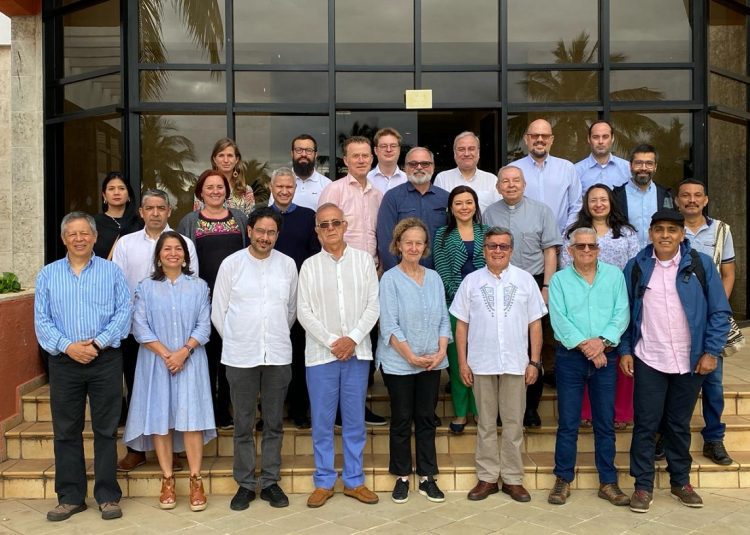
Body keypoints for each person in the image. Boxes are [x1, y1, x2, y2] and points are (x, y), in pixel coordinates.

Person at [620, 210, 731, 513]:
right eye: (659, 229)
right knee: (645, 425)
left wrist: (711, 351)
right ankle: (642, 486)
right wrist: (626, 350)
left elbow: (719, 311)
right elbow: (625, 314)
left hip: (690, 361)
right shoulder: (636, 267)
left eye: (672, 229)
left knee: (679, 425)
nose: (665, 235)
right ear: (651, 234)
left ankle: (680, 481)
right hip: (649, 359)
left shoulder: (700, 264)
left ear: (683, 235)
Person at [34, 212, 132, 522]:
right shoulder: (48, 275)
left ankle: (107, 496)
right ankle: (71, 497)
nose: (79, 238)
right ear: (64, 239)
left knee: (105, 431)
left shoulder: (111, 272)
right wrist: (69, 347)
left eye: (84, 233)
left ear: (94, 237)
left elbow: (123, 312)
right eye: (72, 234)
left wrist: (98, 343)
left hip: (104, 360)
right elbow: (42, 320)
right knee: (66, 432)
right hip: (64, 362)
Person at [451, 227, 546, 504]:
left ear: (511, 250)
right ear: (484, 250)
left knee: (515, 423)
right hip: (481, 363)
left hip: (517, 363)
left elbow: (535, 324)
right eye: (492, 246)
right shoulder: (471, 281)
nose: (497, 251)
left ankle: (514, 479)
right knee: (486, 424)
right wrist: (462, 362)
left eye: (503, 246)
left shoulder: (525, 280)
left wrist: (535, 362)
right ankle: (488, 477)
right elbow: (461, 326)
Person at [212, 207, 298, 511]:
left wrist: (269, 335)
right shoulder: (232, 265)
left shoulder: (287, 265)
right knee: (243, 423)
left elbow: (290, 311)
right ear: (249, 231)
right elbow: (218, 312)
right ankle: (246, 484)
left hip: (276, 353)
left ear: (277, 234)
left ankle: (271, 481)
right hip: (240, 356)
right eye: (260, 231)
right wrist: (239, 339)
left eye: (271, 232)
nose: (265, 237)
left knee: (274, 422)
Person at [123, 231, 215, 512]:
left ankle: (196, 478)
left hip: (191, 360)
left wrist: (183, 352)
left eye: (178, 249)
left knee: (191, 419)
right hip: (156, 362)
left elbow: (204, 326)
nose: (173, 253)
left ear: (186, 256)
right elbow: (139, 327)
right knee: (161, 418)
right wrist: (167, 355)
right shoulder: (145, 287)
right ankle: (167, 478)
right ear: (159, 256)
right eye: (167, 249)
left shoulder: (199, 286)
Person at [297, 203, 380, 508]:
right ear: (317, 231)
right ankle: (324, 481)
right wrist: (334, 341)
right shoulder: (309, 266)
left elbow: (374, 305)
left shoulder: (362, 262)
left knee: (355, 420)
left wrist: (354, 339)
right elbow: (303, 312)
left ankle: (354, 481)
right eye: (324, 225)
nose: (330, 229)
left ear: (345, 226)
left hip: (357, 355)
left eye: (335, 223)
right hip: (321, 356)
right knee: (322, 421)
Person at [113, 188, 198, 473]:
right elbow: (117, 284)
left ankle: (172, 451)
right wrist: (135, 323)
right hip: (137, 330)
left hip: (178, 332)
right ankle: (137, 449)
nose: (155, 213)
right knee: (141, 390)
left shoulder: (183, 242)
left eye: (161, 207)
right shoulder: (126, 244)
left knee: (174, 393)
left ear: (169, 211)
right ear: (141, 212)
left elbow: (193, 282)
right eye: (150, 208)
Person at [547, 227, 630, 507]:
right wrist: (588, 346)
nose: (586, 251)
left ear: (598, 249)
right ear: (569, 251)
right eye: (579, 247)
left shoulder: (614, 276)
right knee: (568, 422)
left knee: (605, 423)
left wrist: (602, 342)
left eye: (591, 246)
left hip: (606, 358)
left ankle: (608, 482)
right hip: (571, 359)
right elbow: (559, 319)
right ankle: (562, 479)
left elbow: (622, 313)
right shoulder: (558, 281)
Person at [378, 218, 451, 504]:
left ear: (425, 247)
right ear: (397, 245)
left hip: (432, 362)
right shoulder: (390, 279)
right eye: (408, 242)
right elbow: (390, 325)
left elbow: (444, 318)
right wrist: (411, 357)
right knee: (401, 419)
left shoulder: (433, 278)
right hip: (399, 364)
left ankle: (426, 477)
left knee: (426, 419)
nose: (413, 247)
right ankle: (401, 477)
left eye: (419, 242)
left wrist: (441, 351)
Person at [482, 165, 560, 427]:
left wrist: (546, 286)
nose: (511, 185)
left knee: (531, 347)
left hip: (534, 283)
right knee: (503, 345)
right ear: (498, 186)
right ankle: (502, 411)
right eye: (505, 181)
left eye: (516, 180)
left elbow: (550, 251)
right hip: (497, 282)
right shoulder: (489, 213)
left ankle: (531, 409)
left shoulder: (542, 211)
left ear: (524, 185)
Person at [561, 184, 640, 429]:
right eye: (593, 199)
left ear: (611, 202)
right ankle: (585, 411)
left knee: (617, 354)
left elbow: (636, 264)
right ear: (586, 204)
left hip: (618, 299)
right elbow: (566, 266)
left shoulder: (626, 232)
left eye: (603, 199)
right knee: (584, 354)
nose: (598, 204)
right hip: (581, 300)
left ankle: (620, 413)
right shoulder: (574, 232)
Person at [178, 170, 249, 430]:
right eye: (210, 187)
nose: (215, 191)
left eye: (220, 186)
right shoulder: (189, 221)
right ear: (200, 191)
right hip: (203, 299)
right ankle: (206, 411)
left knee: (230, 356)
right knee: (206, 356)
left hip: (235, 299)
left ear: (226, 191)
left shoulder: (240, 219)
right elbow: (181, 259)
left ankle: (225, 410)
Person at [675, 178, 739, 466]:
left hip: (711, 320)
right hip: (676, 319)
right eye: (685, 195)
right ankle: (670, 438)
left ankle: (714, 439)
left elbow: (728, 274)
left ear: (706, 200)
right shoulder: (669, 230)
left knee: (712, 383)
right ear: (677, 201)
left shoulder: (721, 231)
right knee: (675, 380)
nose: (691, 200)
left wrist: (716, 308)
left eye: (697, 195)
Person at [433, 186, 488, 434]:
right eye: (458, 203)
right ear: (451, 208)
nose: (464, 207)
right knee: (458, 362)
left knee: (480, 361)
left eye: (469, 202)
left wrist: (478, 299)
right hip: (454, 306)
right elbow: (442, 270)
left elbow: (493, 269)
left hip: (486, 306)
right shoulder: (442, 234)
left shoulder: (486, 233)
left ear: (476, 205)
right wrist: (464, 298)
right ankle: (460, 411)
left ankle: (479, 411)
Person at [269, 167, 321, 429]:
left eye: (289, 186)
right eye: (279, 186)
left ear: (295, 189)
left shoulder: (307, 217)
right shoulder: (262, 217)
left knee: (299, 356)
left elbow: (314, 257)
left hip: (300, 296)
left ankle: (300, 409)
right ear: (271, 187)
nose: (284, 190)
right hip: (269, 300)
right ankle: (271, 413)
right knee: (273, 359)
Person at [376, 146, 449, 271]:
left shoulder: (446, 198)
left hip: (439, 274)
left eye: (425, 163)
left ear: (433, 166)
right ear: (405, 168)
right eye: (413, 164)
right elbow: (386, 241)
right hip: (403, 272)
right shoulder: (392, 197)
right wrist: (396, 275)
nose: (419, 167)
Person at [511, 119, 582, 235]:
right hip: (524, 244)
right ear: (526, 139)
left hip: (561, 242)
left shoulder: (567, 168)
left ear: (551, 140)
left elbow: (576, 207)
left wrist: (565, 236)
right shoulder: (513, 170)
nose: (540, 139)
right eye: (534, 136)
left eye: (545, 136)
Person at [319, 136, 383, 263]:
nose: (361, 160)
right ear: (346, 160)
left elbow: (380, 235)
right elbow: (323, 232)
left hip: (372, 267)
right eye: (355, 156)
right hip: (342, 265)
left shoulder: (377, 195)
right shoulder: (333, 190)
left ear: (371, 159)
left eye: (365, 156)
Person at [613, 144, 675, 248]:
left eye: (649, 164)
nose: (643, 168)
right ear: (630, 166)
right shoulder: (616, 196)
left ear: (655, 167)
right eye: (638, 163)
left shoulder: (665, 195)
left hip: (658, 258)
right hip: (627, 259)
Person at [434, 131, 500, 213]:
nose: (466, 153)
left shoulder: (492, 180)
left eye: (471, 149)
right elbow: (438, 211)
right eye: (461, 149)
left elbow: (499, 211)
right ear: (454, 153)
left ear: (478, 152)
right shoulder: (442, 179)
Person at [194, 138, 255, 216]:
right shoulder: (203, 188)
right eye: (221, 155)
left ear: (236, 159)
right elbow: (196, 219)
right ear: (214, 159)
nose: (226, 160)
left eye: (230, 155)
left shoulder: (246, 191)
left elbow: (251, 223)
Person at [93, 171, 142, 259]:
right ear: (104, 195)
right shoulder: (93, 223)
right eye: (111, 189)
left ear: (128, 195)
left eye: (121, 188)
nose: (116, 192)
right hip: (103, 272)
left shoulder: (140, 223)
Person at [574, 120, 631, 192]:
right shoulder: (576, 171)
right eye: (595, 137)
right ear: (589, 139)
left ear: (612, 138)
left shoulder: (627, 169)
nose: (600, 141)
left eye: (605, 137)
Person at [368, 127, 408, 194]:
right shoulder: (366, 180)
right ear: (375, 150)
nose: (388, 150)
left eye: (393, 146)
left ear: (399, 150)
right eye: (383, 146)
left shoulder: (408, 180)